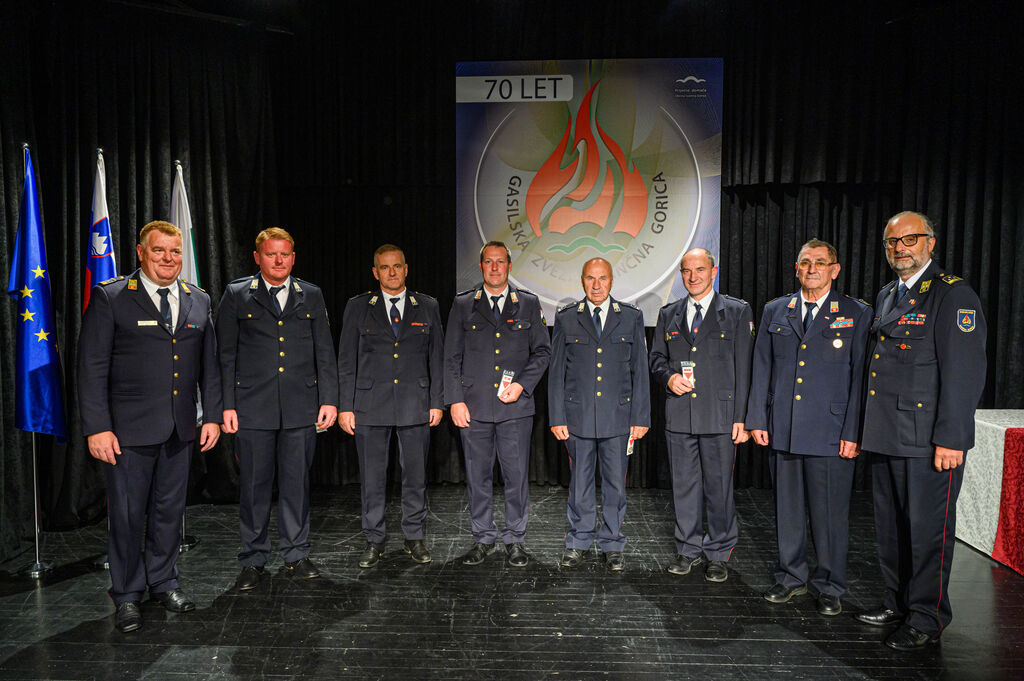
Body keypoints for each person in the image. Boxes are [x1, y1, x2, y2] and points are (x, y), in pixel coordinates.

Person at [78, 220, 222, 633]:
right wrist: (97, 427)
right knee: (127, 516)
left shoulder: (198, 300)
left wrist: (212, 416)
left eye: (175, 252)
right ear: (141, 252)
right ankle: (126, 593)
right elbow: (91, 368)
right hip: (126, 433)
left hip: (180, 429)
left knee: (168, 512)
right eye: (159, 250)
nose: (168, 259)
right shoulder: (112, 297)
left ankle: (164, 582)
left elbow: (209, 367)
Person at [856, 211, 987, 650]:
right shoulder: (887, 294)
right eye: (892, 242)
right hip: (886, 433)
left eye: (910, 239)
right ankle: (896, 602)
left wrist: (952, 438)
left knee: (928, 533)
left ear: (931, 242)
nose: (900, 248)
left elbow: (964, 374)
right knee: (891, 529)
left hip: (929, 440)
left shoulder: (953, 295)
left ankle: (927, 618)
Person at [745, 239, 872, 616]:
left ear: (835, 269)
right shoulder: (775, 310)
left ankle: (830, 585)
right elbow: (761, 366)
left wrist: (853, 432)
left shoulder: (856, 312)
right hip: (783, 427)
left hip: (830, 431)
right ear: (796, 268)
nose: (812, 269)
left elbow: (861, 377)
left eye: (820, 262)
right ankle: (791, 576)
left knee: (829, 514)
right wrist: (757, 418)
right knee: (787, 509)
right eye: (805, 262)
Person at [216, 227, 338, 590]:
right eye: (271, 254)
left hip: (301, 407)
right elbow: (225, 355)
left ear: (293, 258)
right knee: (254, 486)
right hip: (253, 408)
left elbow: (324, 352)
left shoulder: (310, 294)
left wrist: (329, 399)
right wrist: (227, 405)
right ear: (257, 257)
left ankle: (296, 553)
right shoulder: (238, 294)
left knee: (296, 484)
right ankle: (253, 558)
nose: (279, 260)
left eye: (285, 254)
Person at [444, 241, 551, 567]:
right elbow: (451, 357)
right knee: (478, 477)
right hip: (474, 408)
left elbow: (542, 352)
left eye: (500, 262)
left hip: (514, 409)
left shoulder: (528, 304)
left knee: (516, 477)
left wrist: (521, 384)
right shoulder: (464, 304)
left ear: (509, 266)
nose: (494, 268)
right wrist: (455, 400)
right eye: (488, 262)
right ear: (481, 267)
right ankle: (483, 538)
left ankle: (515, 539)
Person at [649, 248, 753, 583]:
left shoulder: (736, 311)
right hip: (680, 416)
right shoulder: (669, 314)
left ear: (713, 271)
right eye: (686, 271)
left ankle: (718, 552)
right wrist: (669, 378)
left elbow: (744, 368)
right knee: (684, 486)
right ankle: (688, 549)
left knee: (719, 488)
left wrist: (742, 418)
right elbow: (656, 359)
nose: (693, 277)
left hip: (720, 417)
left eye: (700, 270)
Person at [337, 244, 444, 568]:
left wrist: (437, 402)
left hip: (415, 404)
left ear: (406, 269)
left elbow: (437, 359)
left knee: (415, 476)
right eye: (385, 267)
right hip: (370, 405)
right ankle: (374, 539)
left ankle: (414, 537)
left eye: (397, 266)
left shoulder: (427, 306)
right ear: (375, 272)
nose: (392, 272)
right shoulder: (358, 307)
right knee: (372, 478)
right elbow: (346, 361)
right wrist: (345, 407)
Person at [549, 258, 650, 571]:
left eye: (602, 278)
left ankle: (612, 542)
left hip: (618, 418)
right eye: (590, 278)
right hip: (577, 417)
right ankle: (578, 540)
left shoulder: (631, 317)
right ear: (582, 281)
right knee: (579, 484)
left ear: (611, 281)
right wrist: (557, 416)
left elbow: (640, 370)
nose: (596, 285)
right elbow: (556, 372)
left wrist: (641, 417)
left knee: (615, 485)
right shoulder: (567, 317)